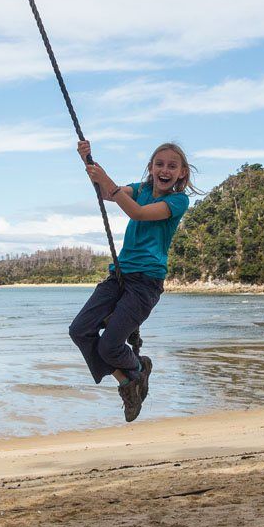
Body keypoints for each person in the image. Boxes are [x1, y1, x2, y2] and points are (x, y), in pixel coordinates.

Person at [69, 140, 199, 422]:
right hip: (119, 276)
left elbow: (137, 213)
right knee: (79, 330)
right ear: (151, 168)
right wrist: (87, 161)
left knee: (110, 346)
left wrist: (107, 179)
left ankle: (139, 365)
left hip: (145, 283)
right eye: (159, 164)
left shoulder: (178, 201)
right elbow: (107, 194)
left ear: (182, 174)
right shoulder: (139, 189)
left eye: (172, 166)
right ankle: (127, 380)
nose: (165, 170)